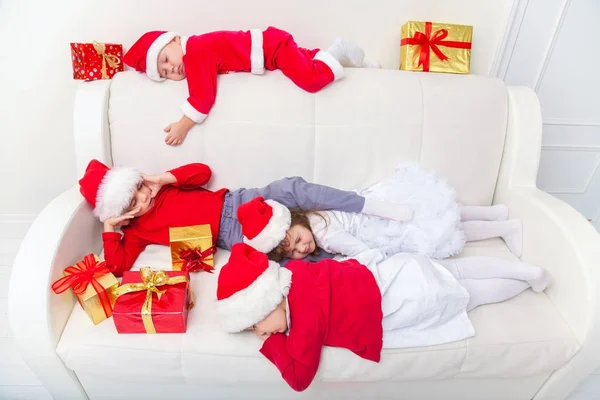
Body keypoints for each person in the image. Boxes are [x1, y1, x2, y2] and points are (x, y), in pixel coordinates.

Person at [215, 243, 551, 392]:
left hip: (407, 301)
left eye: (254, 324)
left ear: (266, 303)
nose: (258, 332)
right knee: (456, 269)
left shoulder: (304, 322)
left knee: (469, 297)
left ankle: (519, 284)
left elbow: (299, 379)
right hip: (397, 270)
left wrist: (274, 343)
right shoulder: (298, 272)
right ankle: (529, 272)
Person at [77, 159, 412, 275]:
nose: (143, 197)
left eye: (138, 187)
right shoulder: (136, 232)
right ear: (121, 214)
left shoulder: (162, 188)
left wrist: (164, 178)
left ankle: (365, 205)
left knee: (291, 188)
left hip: (239, 202)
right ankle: (355, 264)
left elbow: (202, 172)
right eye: (132, 202)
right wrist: (110, 230)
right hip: (229, 236)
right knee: (284, 256)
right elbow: (118, 266)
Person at [123, 26, 379, 145]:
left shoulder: (196, 51)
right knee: (307, 61)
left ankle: (340, 48)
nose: (172, 69)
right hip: (271, 50)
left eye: (166, 59)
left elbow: (203, 96)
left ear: (176, 40)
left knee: (310, 81)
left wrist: (183, 124)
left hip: (272, 48)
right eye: (165, 72)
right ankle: (360, 65)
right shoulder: (195, 52)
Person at [236, 163, 523, 262]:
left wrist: (353, 263)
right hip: (378, 202)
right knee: (442, 211)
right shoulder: (314, 213)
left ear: (293, 221)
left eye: (297, 239)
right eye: (295, 251)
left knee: (444, 229)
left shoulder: (326, 236)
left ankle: (505, 228)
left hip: (382, 227)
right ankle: (495, 214)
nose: (302, 247)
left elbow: (360, 249)